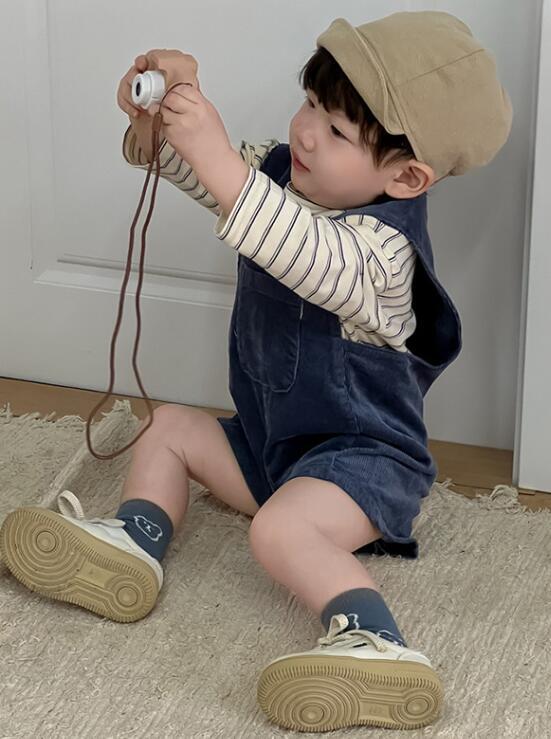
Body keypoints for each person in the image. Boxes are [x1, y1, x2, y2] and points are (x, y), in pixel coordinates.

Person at [0, 11, 511, 732]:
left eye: (336, 131)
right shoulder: (277, 174)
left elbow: (293, 242)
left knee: (277, 532)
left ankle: (378, 641)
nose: (306, 132)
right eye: (311, 103)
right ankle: (136, 539)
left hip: (363, 468)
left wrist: (216, 153)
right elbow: (206, 176)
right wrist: (160, 120)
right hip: (272, 447)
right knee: (169, 426)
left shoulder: (384, 259)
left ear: (405, 177)